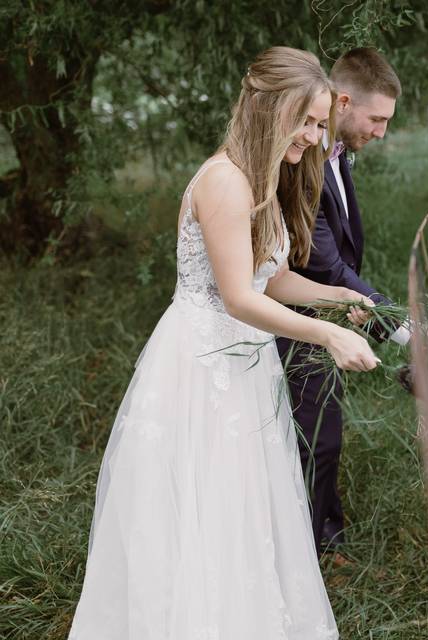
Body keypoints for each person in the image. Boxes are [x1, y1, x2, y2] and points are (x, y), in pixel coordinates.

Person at [68, 46, 378, 640]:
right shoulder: (225, 183)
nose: (315, 137)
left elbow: (269, 276)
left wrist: (340, 298)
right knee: (199, 501)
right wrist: (328, 334)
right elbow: (238, 296)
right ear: (269, 110)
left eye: (320, 124)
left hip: (245, 361)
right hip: (202, 362)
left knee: (244, 504)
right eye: (306, 122)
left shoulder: (261, 179)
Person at [276, 47, 405, 556]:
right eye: (377, 119)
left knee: (324, 431)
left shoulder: (332, 152)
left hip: (324, 308)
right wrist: (401, 326)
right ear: (345, 102)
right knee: (313, 440)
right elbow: (325, 263)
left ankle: (327, 525)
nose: (381, 132)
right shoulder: (302, 155)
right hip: (297, 317)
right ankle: (303, 551)